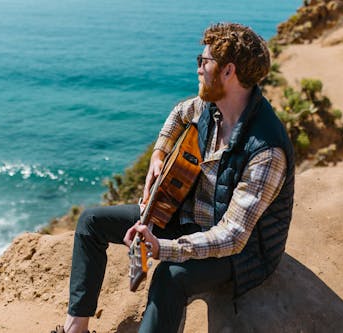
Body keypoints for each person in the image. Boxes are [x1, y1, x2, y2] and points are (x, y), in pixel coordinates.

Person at [52, 22, 295, 333]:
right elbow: (180, 113)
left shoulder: (266, 150)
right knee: (91, 223)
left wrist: (162, 248)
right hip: (188, 214)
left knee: (170, 276)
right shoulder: (211, 106)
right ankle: (76, 329)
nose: (198, 68)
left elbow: (233, 237)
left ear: (227, 72)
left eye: (203, 62)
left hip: (242, 251)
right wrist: (159, 152)